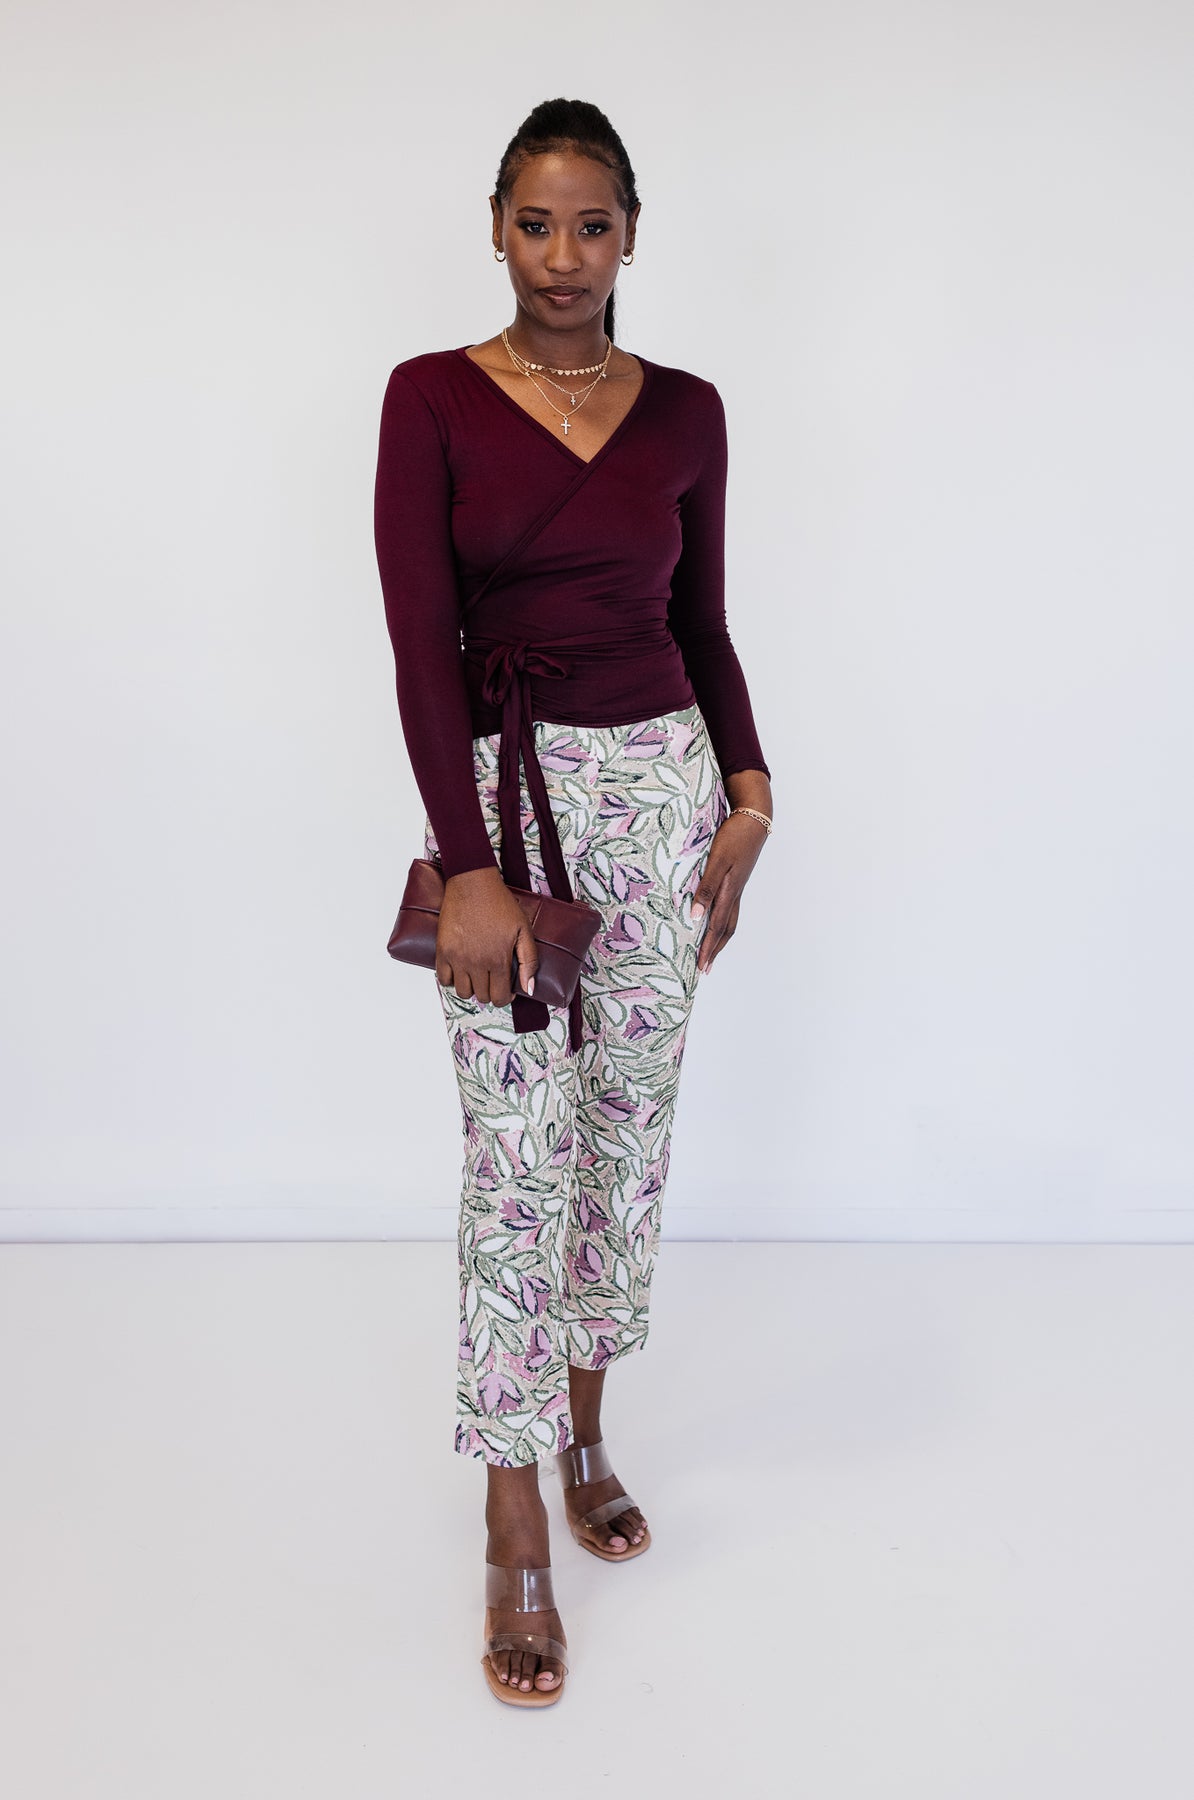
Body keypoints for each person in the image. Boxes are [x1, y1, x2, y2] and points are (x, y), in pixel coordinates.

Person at [373, 97, 774, 1707]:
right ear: (495, 226)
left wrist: (749, 796)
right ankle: (511, 1509)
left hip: (663, 803)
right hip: (510, 813)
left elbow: (706, 624)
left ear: (630, 235)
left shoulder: (687, 412)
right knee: (514, 1160)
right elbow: (419, 648)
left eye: (590, 224)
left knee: (622, 1140)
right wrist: (468, 864)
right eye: (534, 223)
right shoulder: (428, 398)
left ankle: (587, 1427)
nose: (561, 255)